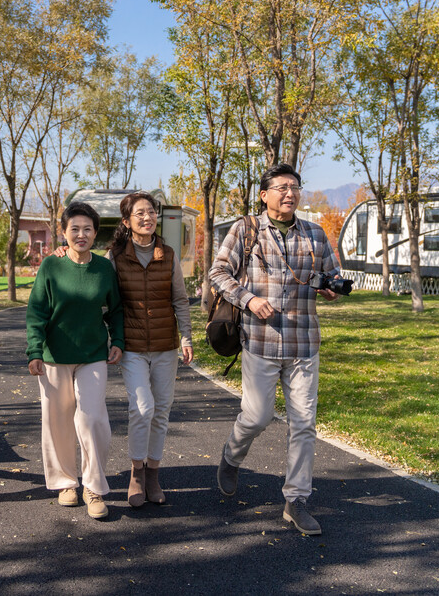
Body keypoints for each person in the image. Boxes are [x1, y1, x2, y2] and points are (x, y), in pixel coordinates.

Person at [210, 162, 342, 536]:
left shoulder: (316, 234)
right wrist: (249, 300)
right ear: (264, 194)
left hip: (304, 342)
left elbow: (331, 277)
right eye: (282, 187)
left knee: (304, 424)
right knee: (257, 416)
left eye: (295, 187)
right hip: (260, 340)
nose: (290, 193)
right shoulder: (246, 230)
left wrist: (331, 288)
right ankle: (231, 456)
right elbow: (218, 273)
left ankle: (296, 499)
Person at [26, 202, 124, 520]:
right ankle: (67, 482)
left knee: (92, 418)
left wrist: (118, 341)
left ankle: (94, 486)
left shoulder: (104, 268)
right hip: (55, 357)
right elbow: (37, 311)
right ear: (64, 233)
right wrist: (34, 351)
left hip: (93, 355)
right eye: (74, 229)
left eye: (87, 229)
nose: (81, 234)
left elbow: (117, 310)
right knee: (57, 421)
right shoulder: (51, 266)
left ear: (95, 233)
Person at [108, 192, 193, 507]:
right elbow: (107, 302)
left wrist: (186, 336)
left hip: (165, 346)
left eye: (151, 213)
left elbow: (180, 299)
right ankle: (136, 472)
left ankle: (153, 473)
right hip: (131, 347)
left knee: (161, 411)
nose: (147, 218)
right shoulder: (115, 257)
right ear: (127, 221)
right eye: (140, 213)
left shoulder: (167, 255)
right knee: (141, 408)